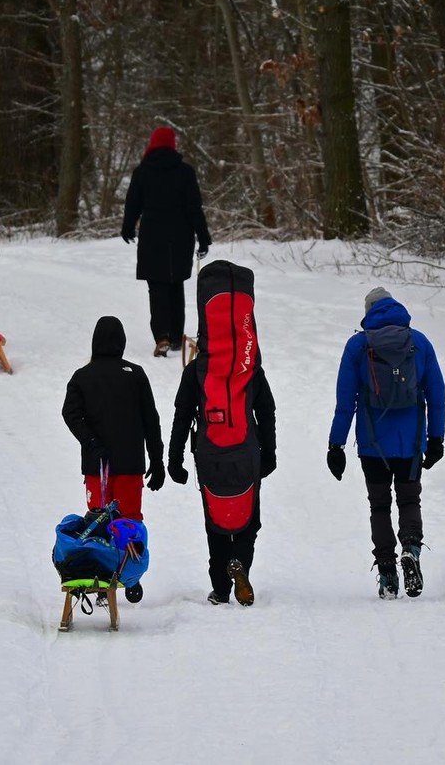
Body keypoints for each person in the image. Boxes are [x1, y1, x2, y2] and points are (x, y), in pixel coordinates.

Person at [167, 260, 277, 606]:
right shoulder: (250, 367)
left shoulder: (197, 370)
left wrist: (175, 458)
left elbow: (182, 415)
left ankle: (220, 587)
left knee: (215, 520)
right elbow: (267, 412)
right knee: (249, 520)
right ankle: (239, 564)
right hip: (248, 449)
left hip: (209, 452)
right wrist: (269, 454)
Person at [327, 287, 445, 599]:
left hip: (372, 444)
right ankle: (411, 550)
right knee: (409, 500)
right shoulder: (419, 342)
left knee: (379, 506)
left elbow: (345, 402)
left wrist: (335, 445)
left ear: (368, 311)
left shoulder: (357, 345)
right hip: (410, 441)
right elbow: (436, 395)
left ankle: (387, 574)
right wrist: (436, 439)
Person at [61, 315, 165, 603]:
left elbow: (70, 414)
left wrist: (91, 441)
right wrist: (157, 460)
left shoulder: (82, 376)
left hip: (97, 467)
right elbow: (150, 421)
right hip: (131, 466)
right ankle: (129, 577)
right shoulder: (136, 375)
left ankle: (101, 576)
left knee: (98, 523)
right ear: (121, 343)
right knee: (129, 522)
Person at [121, 126, 211, 358]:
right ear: (173, 145)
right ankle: (175, 336)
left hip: (153, 238)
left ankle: (162, 335)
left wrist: (128, 227)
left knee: (157, 287)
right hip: (180, 237)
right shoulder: (185, 172)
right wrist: (203, 236)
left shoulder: (142, 171)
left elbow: (133, 204)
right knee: (176, 285)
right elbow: (194, 208)